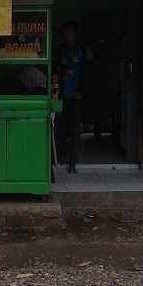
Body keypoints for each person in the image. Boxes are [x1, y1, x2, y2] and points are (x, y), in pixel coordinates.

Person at [56, 20, 83, 173]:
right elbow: (54, 71)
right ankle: (56, 162)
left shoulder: (82, 51)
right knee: (60, 131)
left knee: (75, 131)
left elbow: (90, 73)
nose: (67, 36)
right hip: (61, 96)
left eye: (70, 32)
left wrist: (81, 91)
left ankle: (73, 164)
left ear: (75, 34)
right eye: (64, 33)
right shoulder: (60, 51)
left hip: (76, 97)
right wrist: (61, 77)